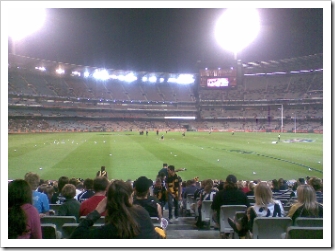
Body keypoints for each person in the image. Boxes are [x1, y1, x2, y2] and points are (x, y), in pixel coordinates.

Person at [70, 180, 164, 239]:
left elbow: (75, 237)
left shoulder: (109, 231)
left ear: (107, 202)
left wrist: (97, 211)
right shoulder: (142, 214)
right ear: (129, 198)